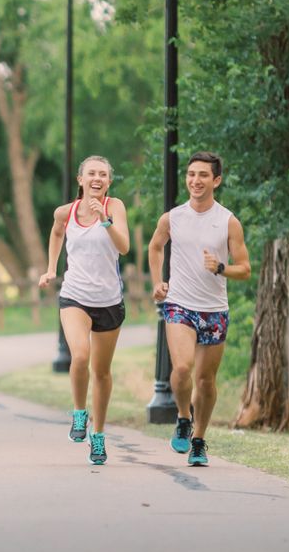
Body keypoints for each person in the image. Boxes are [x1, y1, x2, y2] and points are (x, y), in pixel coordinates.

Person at [148, 151, 251, 467]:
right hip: (179, 304)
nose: (195, 180)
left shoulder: (228, 221)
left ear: (216, 180)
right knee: (181, 369)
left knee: (206, 381)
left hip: (214, 310)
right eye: (191, 174)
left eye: (203, 175)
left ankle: (199, 440)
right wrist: (157, 282)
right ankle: (182, 416)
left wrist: (220, 267)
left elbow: (245, 268)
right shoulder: (173, 217)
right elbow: (155, 246)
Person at [39, 155, 130, 465]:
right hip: (75, 296)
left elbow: (124, 247)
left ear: (108, 181)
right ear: (80, 180)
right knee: (80, 355)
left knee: (102, 373)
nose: (97, 178)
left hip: (108, 301)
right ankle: (80, 413)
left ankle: (99, 435)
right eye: (91, 173)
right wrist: (51, 268)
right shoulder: (65, 212)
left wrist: (105, 219)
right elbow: (55, 233)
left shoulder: (115, 207)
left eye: (103, 174)